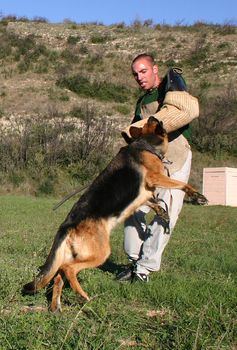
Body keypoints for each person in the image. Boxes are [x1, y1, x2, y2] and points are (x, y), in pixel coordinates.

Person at [116, 53, 199, 283]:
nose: (139, 77)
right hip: (148, 161)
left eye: (143, 71)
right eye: (135, 74)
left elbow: (184, 110)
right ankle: (135, 260)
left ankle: (144, 268)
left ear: (155, 69)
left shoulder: (171, 92)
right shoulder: (142, 102)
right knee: (135, 207)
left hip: (176, 155)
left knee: (166, 210)